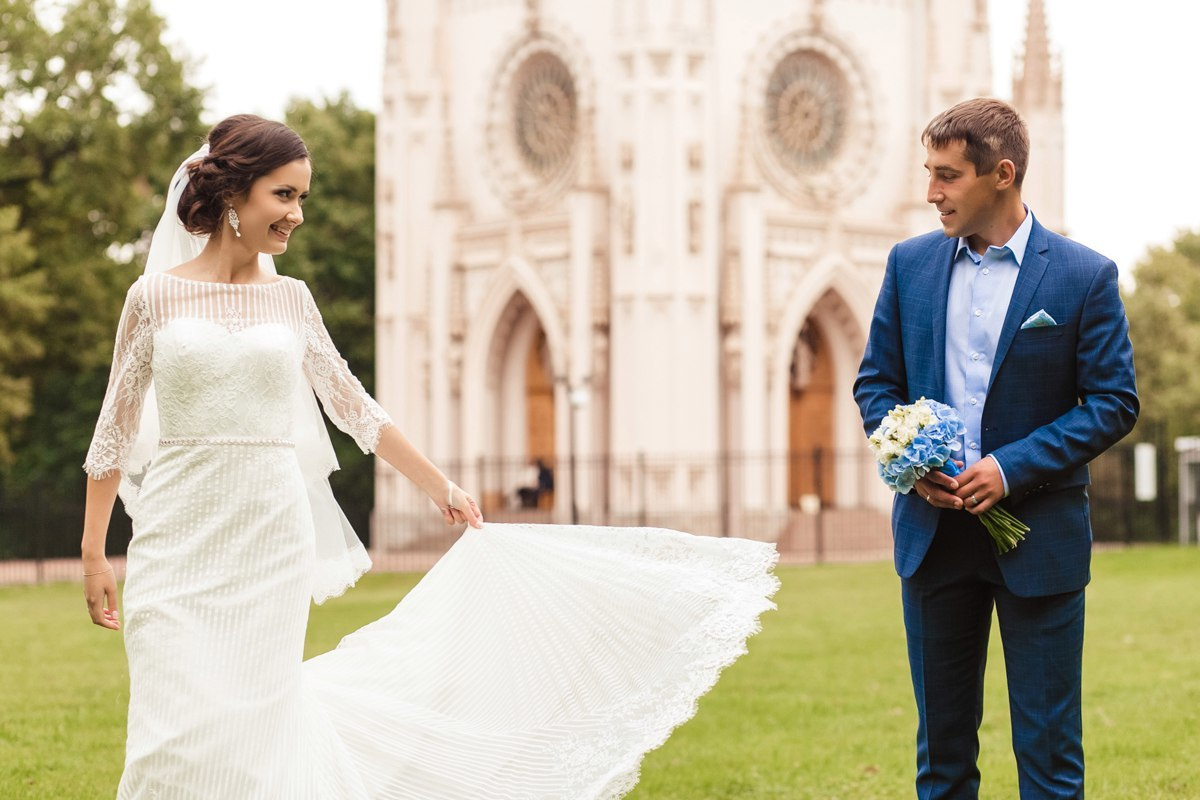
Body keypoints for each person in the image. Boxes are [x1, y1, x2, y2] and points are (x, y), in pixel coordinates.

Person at [81, 114, 779, 799]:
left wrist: (437, 483)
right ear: (235, 192)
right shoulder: (153, 297)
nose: (297, 215)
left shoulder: (291, 302)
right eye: (284, 195)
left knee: (257, 723)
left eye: (304, 199)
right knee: (171, 722)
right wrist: (92, 551)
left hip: (268, 536)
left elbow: (356, 408)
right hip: (177, 539)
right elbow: (115, 427)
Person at [853, 98, 1138, 799]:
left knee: (1049, 762)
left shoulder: (1083, 275)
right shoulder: (908, 264)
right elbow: (875, 386)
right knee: (942, 761)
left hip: (1039, 541)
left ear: (1002, 174)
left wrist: (1011, 468)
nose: (931, 192)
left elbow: (1113, 403)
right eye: (929, 172)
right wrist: (913, 467)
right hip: (932, 539)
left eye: (947, 176)